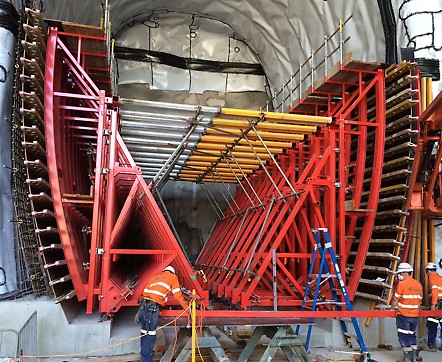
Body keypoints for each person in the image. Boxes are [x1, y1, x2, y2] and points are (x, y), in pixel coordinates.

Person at [138, 265, 189, 362]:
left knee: (144, 334)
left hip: (144, 307)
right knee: (150, 335)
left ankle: (144, 358)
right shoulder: (173, 277)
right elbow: (178, 296)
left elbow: (146, 292)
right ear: (172, 272)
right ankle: (147, 360)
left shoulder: (155, 277)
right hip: (152, 309)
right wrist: (187, 308)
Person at [391, 262, 423, 362]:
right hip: (415, 315)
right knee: (411, 335)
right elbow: (420, 299)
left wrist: (391, 308)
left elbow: (395, 301)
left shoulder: (401, 284)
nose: (399, 276)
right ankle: (413, 357)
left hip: (403, 315)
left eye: (400, 273)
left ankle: (408, 359)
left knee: (404, 336)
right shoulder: (418, 284)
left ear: (405, 273)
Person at [423, 262, 442, 352]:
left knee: (432, 323)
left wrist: (433, 304)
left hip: (438, 303)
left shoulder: (432, 277)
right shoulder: (440, 277)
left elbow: (435, 291)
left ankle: (431, 346)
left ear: (428, 271)